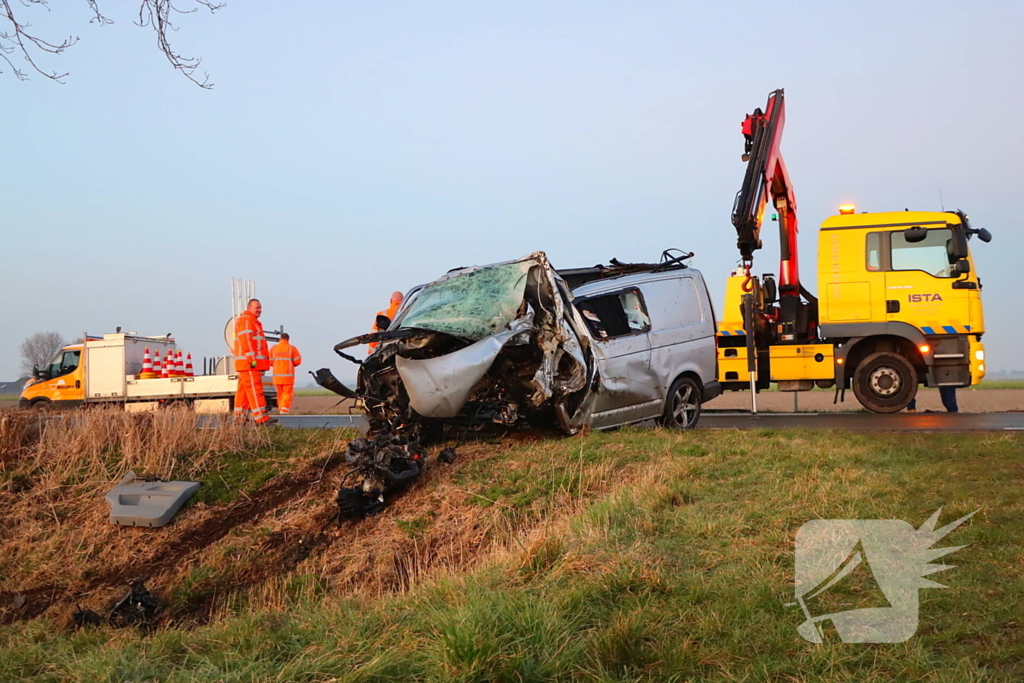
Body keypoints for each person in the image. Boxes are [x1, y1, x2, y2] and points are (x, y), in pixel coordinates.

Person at [234, 298, 274, 425]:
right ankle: (260, 417)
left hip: (247, 364)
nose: (260, 310)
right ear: (249, 308)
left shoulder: (251, 321)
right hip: (250, 364)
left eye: (260, 308)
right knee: (255, 389)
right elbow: (246, 341)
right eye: (257, 308)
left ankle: (240, 417)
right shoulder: (247, 321)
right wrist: (252, 360)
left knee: (244, 392)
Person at [270, 332, 302, 415]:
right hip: (288, 376)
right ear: (288, 339)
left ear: (280, 339)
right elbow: (297, 361)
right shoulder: (292, 348)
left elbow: (270, 362)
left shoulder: (274, 348)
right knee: (287, 393)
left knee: (279, 394)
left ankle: (281, 409)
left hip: (277, 376)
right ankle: (284, 410)